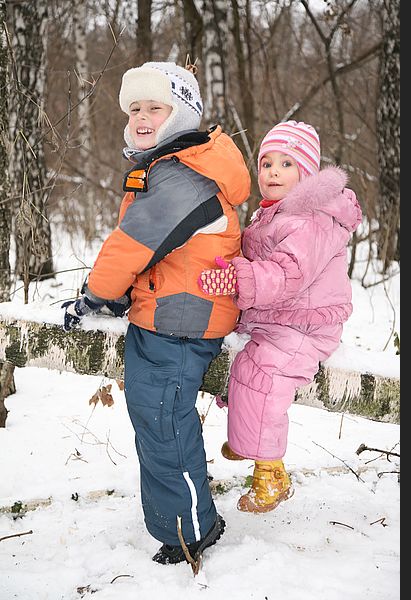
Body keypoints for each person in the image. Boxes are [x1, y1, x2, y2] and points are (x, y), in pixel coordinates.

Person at [62, 61, 251, 563]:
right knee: (154, 419)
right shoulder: (171, 168)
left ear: (182, 114)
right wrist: (123, 294)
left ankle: (192, 530)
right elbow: (156, 253)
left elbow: (131, 245)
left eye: (155, 107)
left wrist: (96, 295)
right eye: (135, 108)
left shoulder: (186, 178)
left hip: (183, 324)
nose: (142, 117)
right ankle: (180, 520)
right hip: (166, 316)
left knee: (163, 421)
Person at [199, 120, 362, 513]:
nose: (273, 172)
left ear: (306, 173)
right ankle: (249, 439)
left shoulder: (310, 220)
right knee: (243, 364)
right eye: (267, 163)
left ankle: (271, 472)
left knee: (265, 375)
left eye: (286, 164)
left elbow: (287, 273)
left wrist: (239, 276)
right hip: (280, 318)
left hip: (307, 325)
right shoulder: (275, 214)